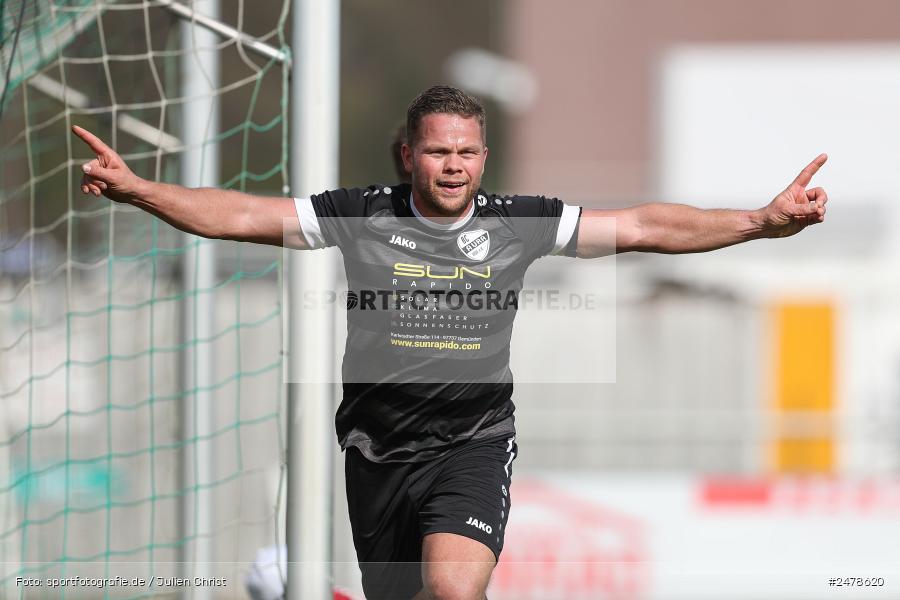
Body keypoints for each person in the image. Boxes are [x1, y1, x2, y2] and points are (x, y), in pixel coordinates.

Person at [72, 85, 828, 600]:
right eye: (438, 152)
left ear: (483, 158)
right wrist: (141, 190)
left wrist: (758, 221)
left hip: (472, 441)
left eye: (466, 152)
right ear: (410, 155)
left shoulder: (518, 222)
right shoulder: (361, 213)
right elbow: (241, 216)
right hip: (376, 450)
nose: (454, 166)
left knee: (452, 588)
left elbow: (639, 226)